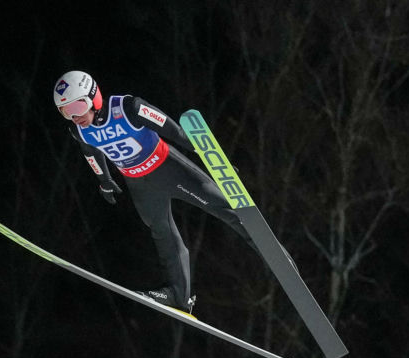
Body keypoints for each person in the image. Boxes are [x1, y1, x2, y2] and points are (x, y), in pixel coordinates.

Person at [53, 70, 263, 314]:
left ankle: (271, 252)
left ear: (94, 97)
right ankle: (179, 296)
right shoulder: (79, 130)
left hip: (168, 168)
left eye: (78, 106)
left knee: (223, 206)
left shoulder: (128, 107)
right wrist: (105, 181)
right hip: (140, 185)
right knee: (163, 234)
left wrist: (211, 157)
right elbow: (92, 152)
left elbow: (174, 131)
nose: (75, 116)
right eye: (66, 111)